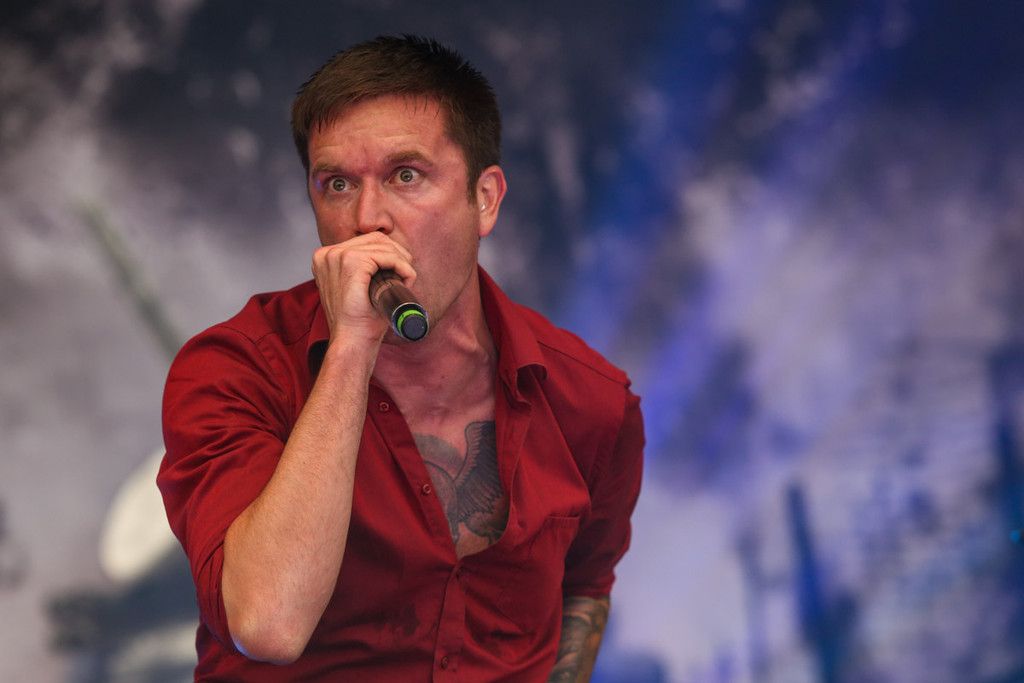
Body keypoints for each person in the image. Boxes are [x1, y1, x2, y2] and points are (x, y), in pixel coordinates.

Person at [159, 34, 644, 682]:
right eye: (336, 184)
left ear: (485, 199)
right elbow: (268, 622)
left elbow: (583, 588)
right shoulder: (234, 372)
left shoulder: (592, 401)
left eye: (405, 175)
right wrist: (350, 350)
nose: (367, 219)